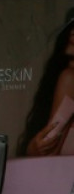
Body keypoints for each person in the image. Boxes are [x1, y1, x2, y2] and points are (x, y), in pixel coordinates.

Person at [19, 15, 74, 157]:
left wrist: (32, 148)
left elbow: (49, 149)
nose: (72, 32)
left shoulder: (69, 78)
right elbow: (47, 146)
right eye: (71, 26)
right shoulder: (66, 78)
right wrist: (34, 148)